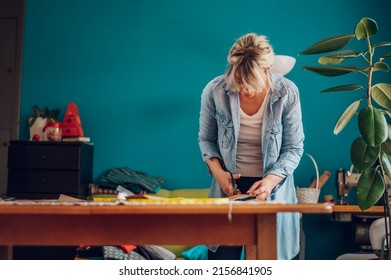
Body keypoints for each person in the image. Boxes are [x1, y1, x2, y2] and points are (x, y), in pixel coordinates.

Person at [197, 33, 304, 260]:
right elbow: (206, 139)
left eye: (252, 82)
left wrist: (270, 182)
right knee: (222, 264)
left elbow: (294, 147)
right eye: (239, 80)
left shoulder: (287, 92)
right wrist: (219, 175)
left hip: (273, 187)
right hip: (229, 188)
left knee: (272, 262)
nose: (245, 89)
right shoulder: (215, 90)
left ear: (267, 71)